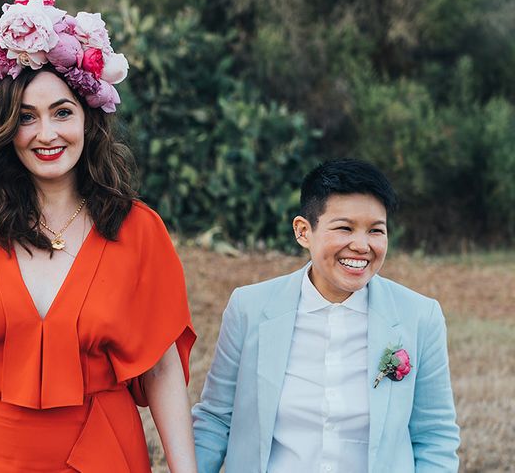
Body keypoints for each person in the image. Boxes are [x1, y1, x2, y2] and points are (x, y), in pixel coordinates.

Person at [0, 0, 197, 473]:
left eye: (62, 112)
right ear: (5, 127)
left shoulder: (139, 229)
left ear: (88, 119)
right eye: (25, 116)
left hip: (104, 454)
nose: (46, 134)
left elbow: (162, 369)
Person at [192, 158, 460, 473]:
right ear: (303, 232)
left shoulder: (419, 316)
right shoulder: (249, 308)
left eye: (376, 230)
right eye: (344, 228)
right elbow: (214, 420)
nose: (361, 245)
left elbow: (435, 435)